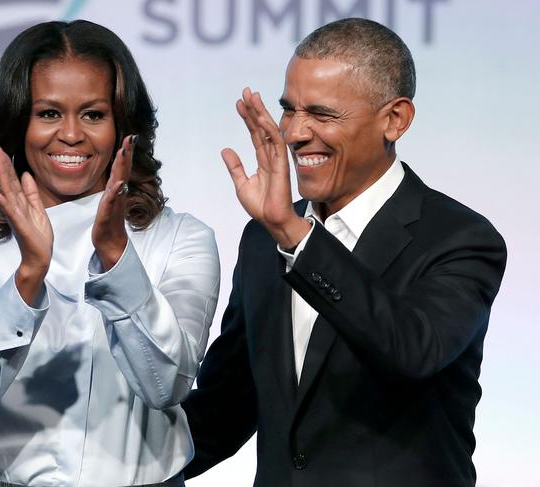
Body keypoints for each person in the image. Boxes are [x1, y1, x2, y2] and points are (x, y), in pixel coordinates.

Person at [181, 17, 506, 487]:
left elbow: (412, 351)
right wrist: (106, 468)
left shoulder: (460, 238)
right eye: (288, 110)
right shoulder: (264, 237)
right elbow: (225, 407)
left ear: (395, 119)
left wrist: (296, 237)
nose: (293, 133)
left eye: (322, 114)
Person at [0, 20, 220, 487]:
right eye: (48, 113)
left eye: (93, 114)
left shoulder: (182, 238)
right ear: (17, 121)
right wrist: (28, 278)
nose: (71, 135)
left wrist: (117, 255)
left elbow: (166, 386)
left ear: (124, 125)